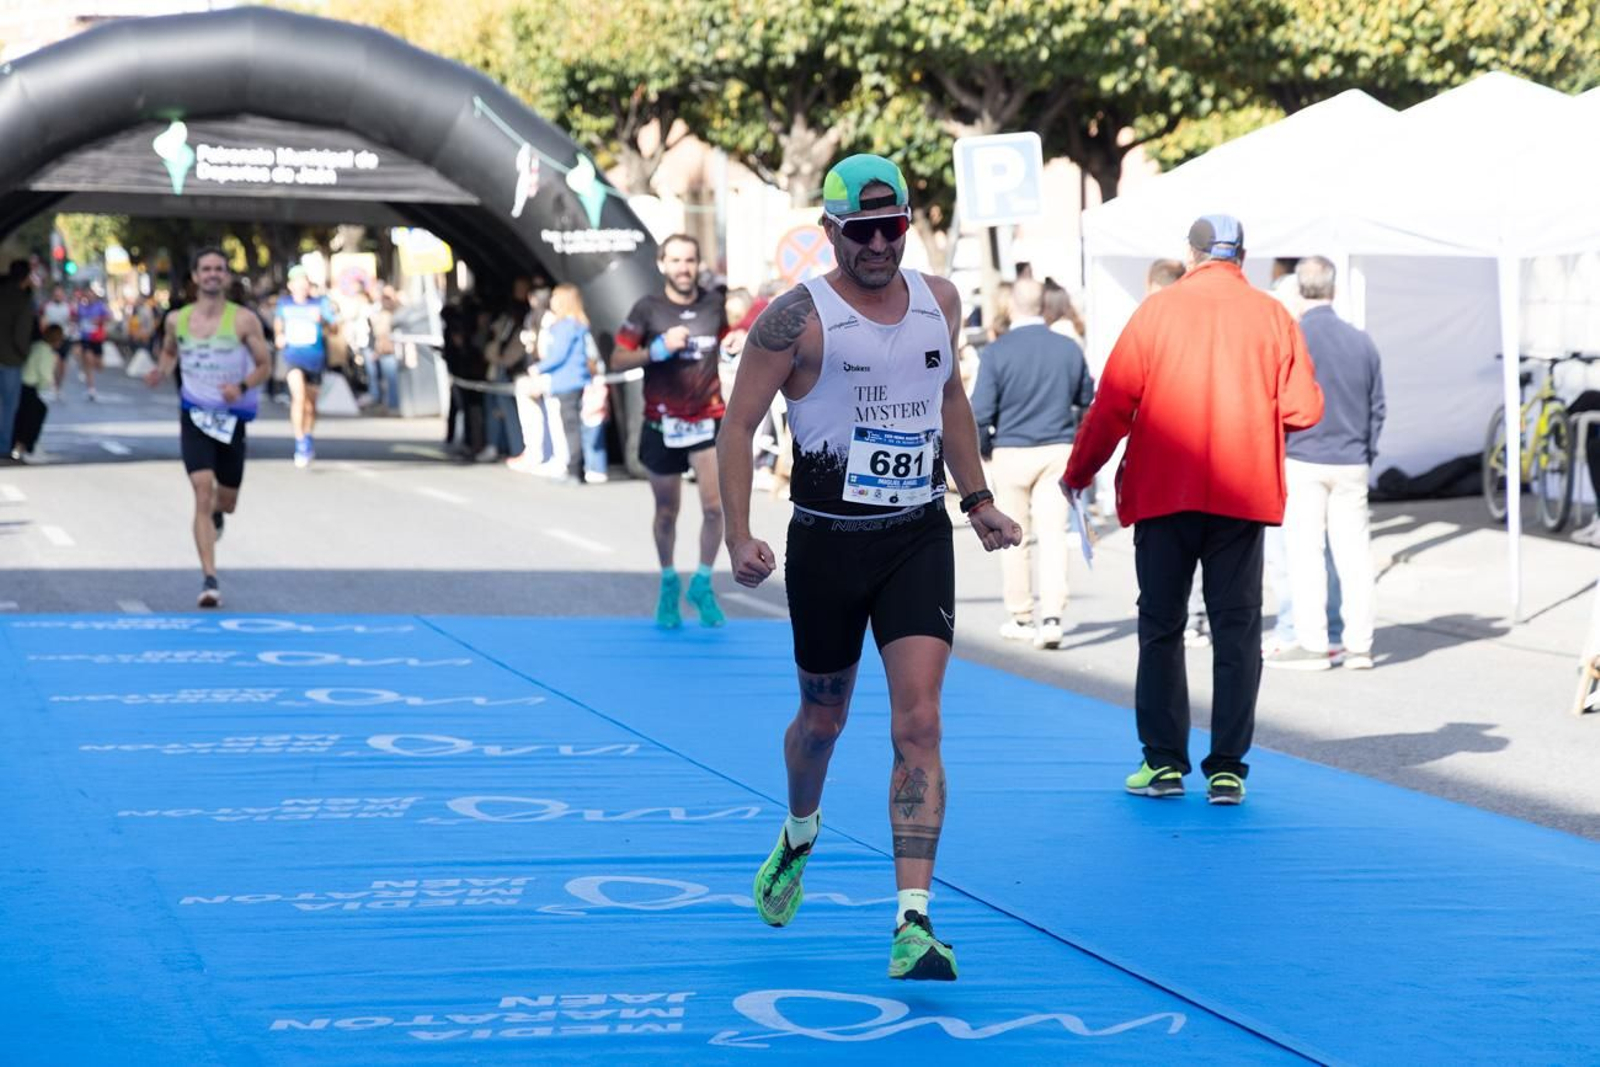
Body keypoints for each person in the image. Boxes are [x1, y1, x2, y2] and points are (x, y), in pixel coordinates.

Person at [719, 154, 1023, 981]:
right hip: (825, 543)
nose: (881, 245)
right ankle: (799, 830)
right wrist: (738, 534)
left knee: (918, 722)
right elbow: (737, 426)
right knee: (822, 723)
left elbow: (949, 398)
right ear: (832, 233)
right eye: (863, 232)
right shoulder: (795, 320)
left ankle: (913, 920)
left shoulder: (941, 302)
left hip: (915, 537)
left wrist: (978, 497)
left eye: (894, 228)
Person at [1062, 215, 1323, 806]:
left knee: (1161, 626)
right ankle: (1228, 768)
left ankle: (1163, 764)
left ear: (1191, 254)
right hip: (1241, 492)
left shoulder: (1156, 312)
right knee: (1237, 631)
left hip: (1162, 493)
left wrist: (1078, 473)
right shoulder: (1273, 316)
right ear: (1244, 257)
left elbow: (1111, 407)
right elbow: (1305, 409)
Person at [1266, 256, 1385, 672]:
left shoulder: (1293, 339)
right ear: (1335, 289)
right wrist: (1366, 451)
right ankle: (1359, 645)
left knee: (1306, 552)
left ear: (1300, 289)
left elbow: (1276, 402)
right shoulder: (1361, 341)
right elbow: (1377, 406)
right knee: (1354, 555)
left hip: (1303, 455)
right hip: (1352, 457)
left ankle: (1315, 642)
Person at [969, 277, 1095, 650]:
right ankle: (1053, 616)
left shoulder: (996, 352)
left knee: (1013, 535)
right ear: (1044, 306)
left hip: (1011, 449)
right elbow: (1085, 399)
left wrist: (988, 448)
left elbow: (980, 411)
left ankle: (1021, 614)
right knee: (1054, 535)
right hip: (1057, 448)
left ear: (1012, 306)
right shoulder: (1068, 348)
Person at [144, 247, 273, 608]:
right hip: (195, 415)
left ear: (227, 276)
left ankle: (218, 513)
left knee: (226, 501)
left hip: (231, 417)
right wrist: (161, 370)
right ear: (196, 277)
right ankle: (210, 579)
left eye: (219, 268)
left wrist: (242, 387)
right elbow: (170, 351)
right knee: (202, 490)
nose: (213, 274)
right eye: (206, 269)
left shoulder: (244, 320)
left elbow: (264, 364)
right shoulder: (177, 320)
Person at [613, 234, 729, 629]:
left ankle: (702, 582)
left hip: (706, 418)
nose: (684, 268)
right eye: (676, 260)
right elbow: (617, 357)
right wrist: (656, 350)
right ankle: (667, 583)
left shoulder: (714, 304)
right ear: (662, 264)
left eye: (690, 260)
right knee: (667, 512)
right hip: (661, 422)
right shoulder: (648, 309)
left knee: (715, 508)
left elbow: (728, 340)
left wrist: (736, 344)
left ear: (698, 264)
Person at [529, 283, 597, 484]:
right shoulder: (577, 324)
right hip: (576, 380)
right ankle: (577, 468)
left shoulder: (564, 326)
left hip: (566, 381)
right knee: (574, 425)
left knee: (569, 427)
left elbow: (558, 354)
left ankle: (574, 469)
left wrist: (539, 368)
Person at [274, 265, 338, 468]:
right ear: (290, 285)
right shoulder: (284, 304)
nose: (301, 286)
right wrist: (279, 336)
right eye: (297, 282)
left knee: (310, 406)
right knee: (298, 398)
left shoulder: (320, 303)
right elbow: (278, 324)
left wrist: (324, 322)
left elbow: (335, 328)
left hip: (315, 358)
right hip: (292, 356)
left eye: (305, 282)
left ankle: (308, 435)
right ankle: (300, 441)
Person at [12, 324, 59, 460]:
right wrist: (46, 385)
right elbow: (45, 375)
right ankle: (25, 444)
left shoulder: (36, 345)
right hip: (29, 386)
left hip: (20, 383)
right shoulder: (46, 351)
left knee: (20, 415)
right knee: (35, 413)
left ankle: (18, 443)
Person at [0, 260, 31, 462]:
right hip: (10, 359)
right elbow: (22, 333)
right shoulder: (21, 299)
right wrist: (24, 354)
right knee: (8, 406)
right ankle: (3, 447)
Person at [74, 285, 110, 401]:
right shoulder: (81, 307)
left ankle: (88, 367)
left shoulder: (100, 307)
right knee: (88, 360)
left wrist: (99, 320)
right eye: (87, 295)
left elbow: (109, 317)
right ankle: (91, 389)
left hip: (97, 339)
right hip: (86, 339)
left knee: (99, 365)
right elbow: (75, 319)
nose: (89, 297)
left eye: (91, 294)